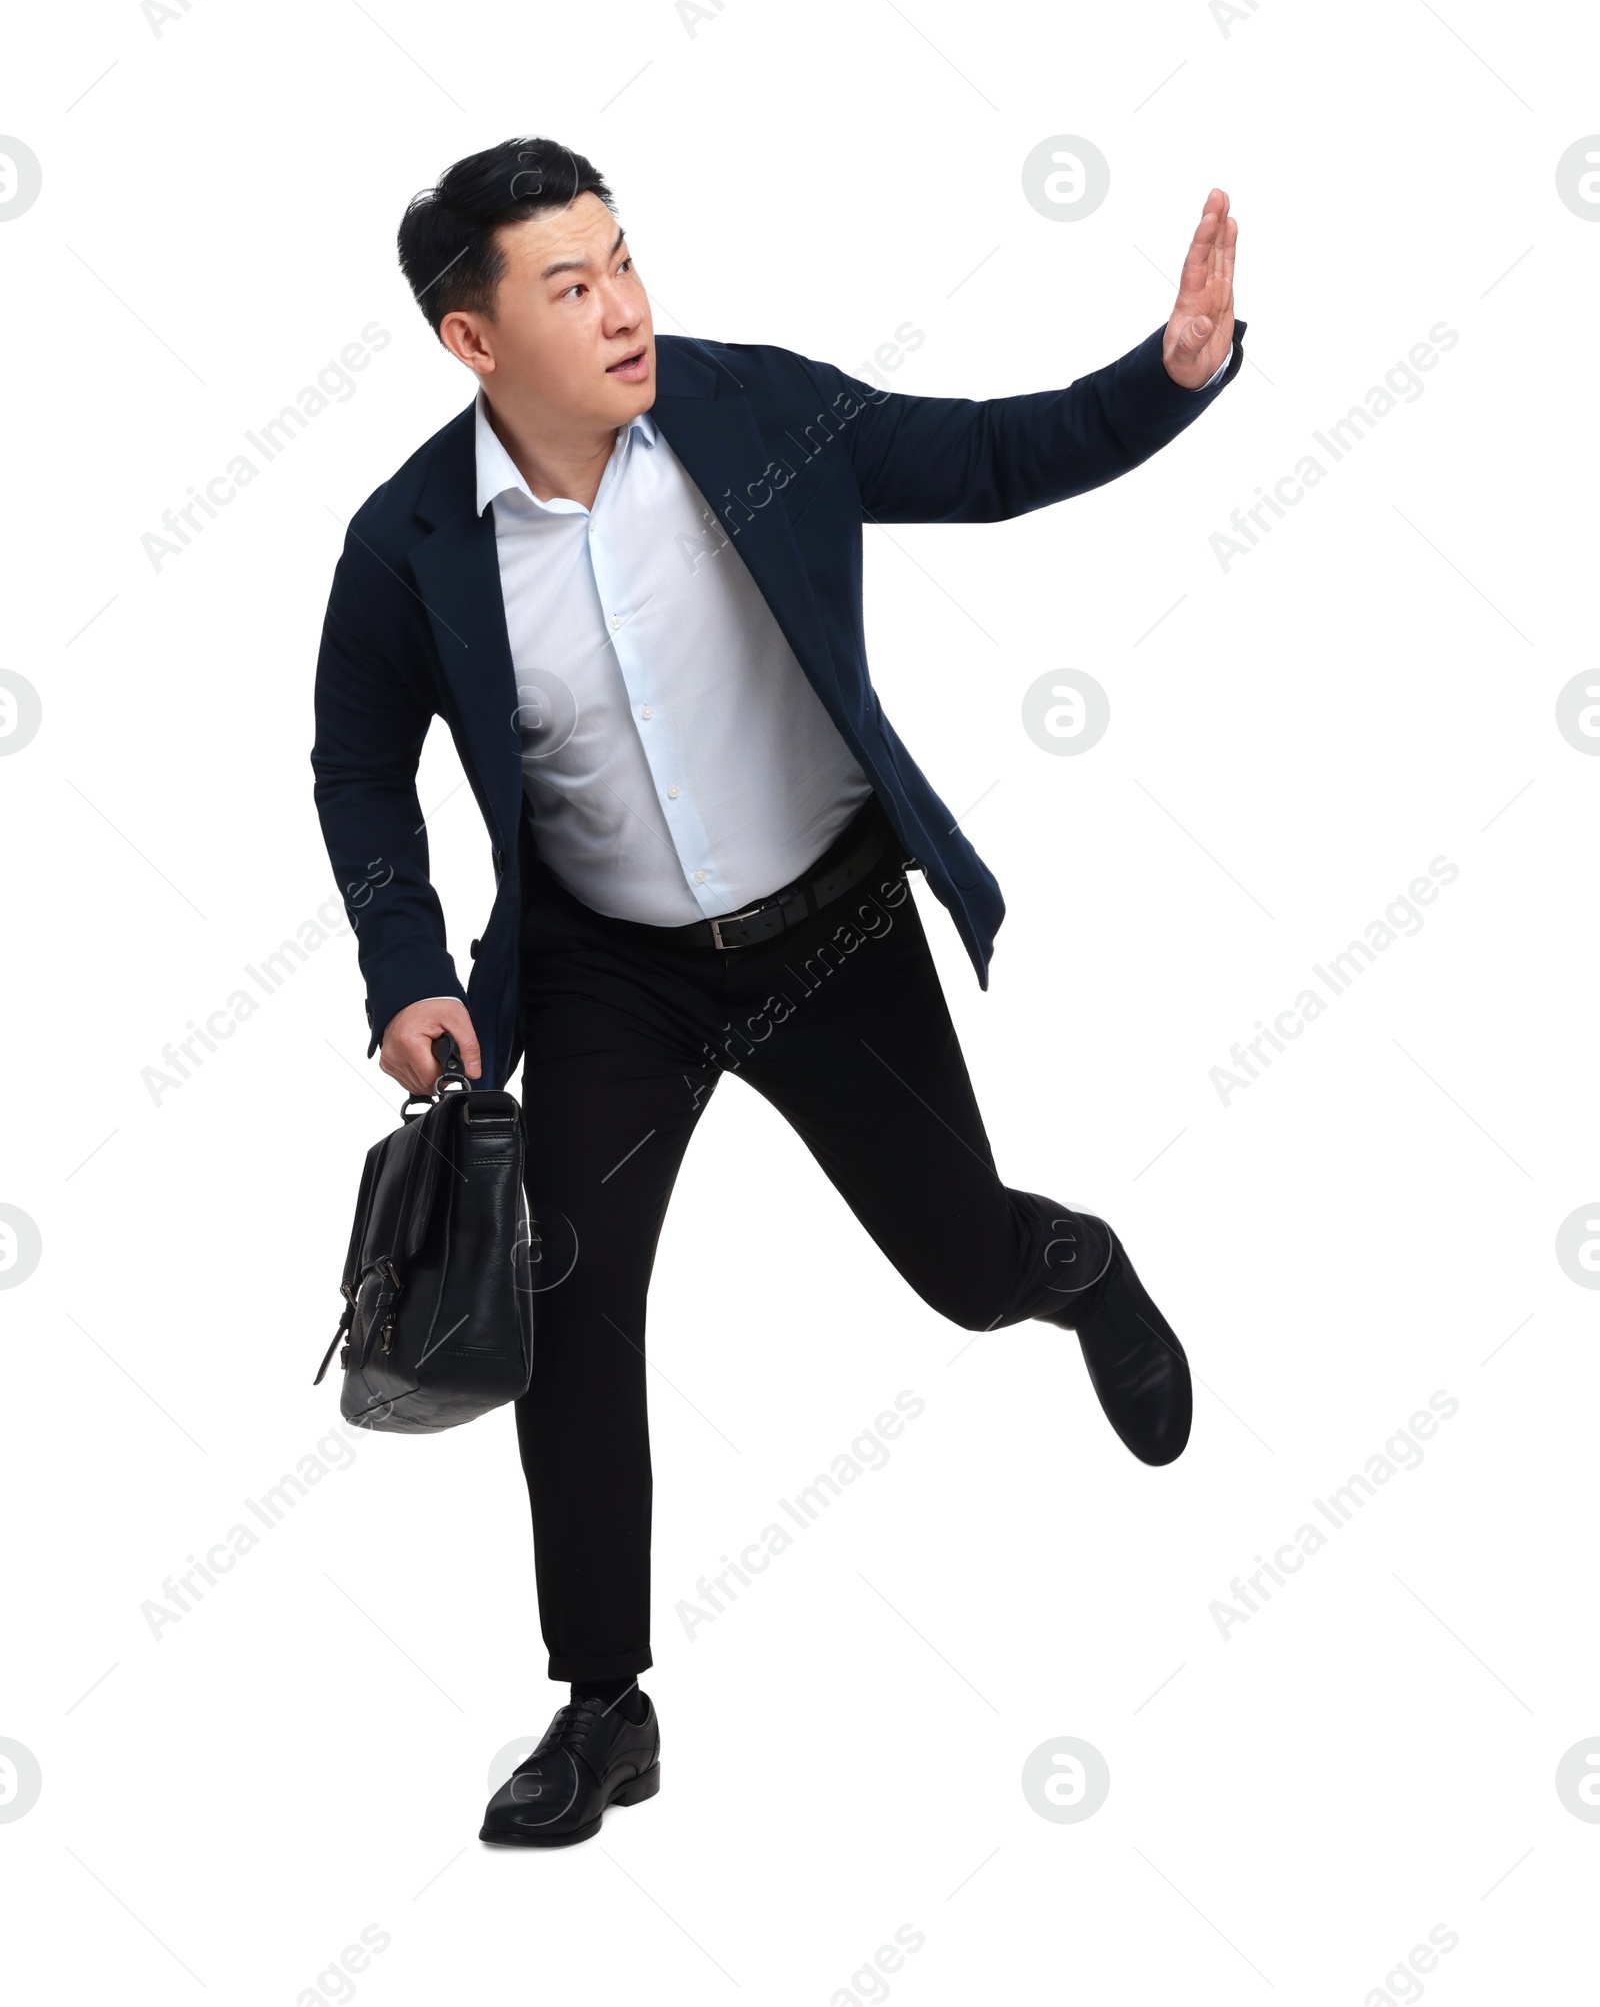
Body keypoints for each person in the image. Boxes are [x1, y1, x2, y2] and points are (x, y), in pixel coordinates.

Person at [311, 137, 1245, 1849]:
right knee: (571, 1313)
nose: (623, 308)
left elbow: (982, 455)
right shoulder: (411, 546)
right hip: (607, 976)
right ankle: (604, 1703)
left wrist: (1170, 375)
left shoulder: (751, 412)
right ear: (474, 341)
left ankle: (1073, 1262)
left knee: (963, 1269)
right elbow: (360, 769)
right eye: (569, 285)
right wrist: (408, 974)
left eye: (624, 260)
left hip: (830, 930)